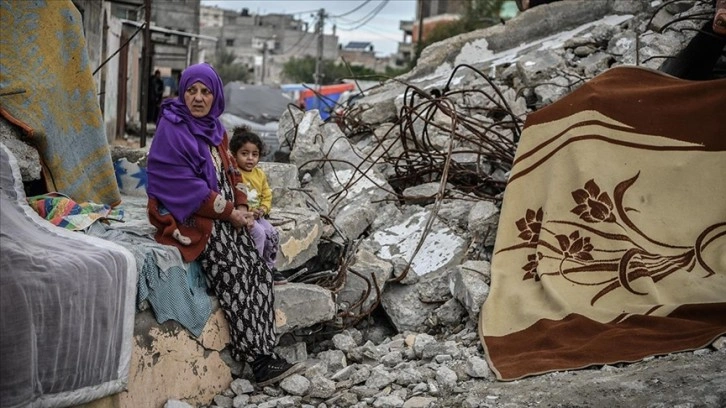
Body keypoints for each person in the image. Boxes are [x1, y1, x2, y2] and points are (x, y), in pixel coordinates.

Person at [145, 63, 302, 386]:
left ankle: (267, 351)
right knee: (235, 273)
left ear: (215, 95)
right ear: (182, 92)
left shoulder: (216, 130)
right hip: (193, 219)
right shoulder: (171, 129)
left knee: (258, 269)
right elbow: (183, 188)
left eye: (205, 91)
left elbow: (233, 173)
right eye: (191, 90)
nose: (198, 98)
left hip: (224, 213)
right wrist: (230, 212)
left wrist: (242, 206)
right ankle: (258, 361)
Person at [229, 126, 287, 285]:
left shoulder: (259, 174)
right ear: (234, 155)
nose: (250, 159)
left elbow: (266, 194)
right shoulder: (234, 174)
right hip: (244, 216)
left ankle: (269, 268)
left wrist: (263, 209)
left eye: (254, 154)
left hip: (258, 215)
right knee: (260, 234)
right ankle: (254, 268)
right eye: (244, 154)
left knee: (273, 233)